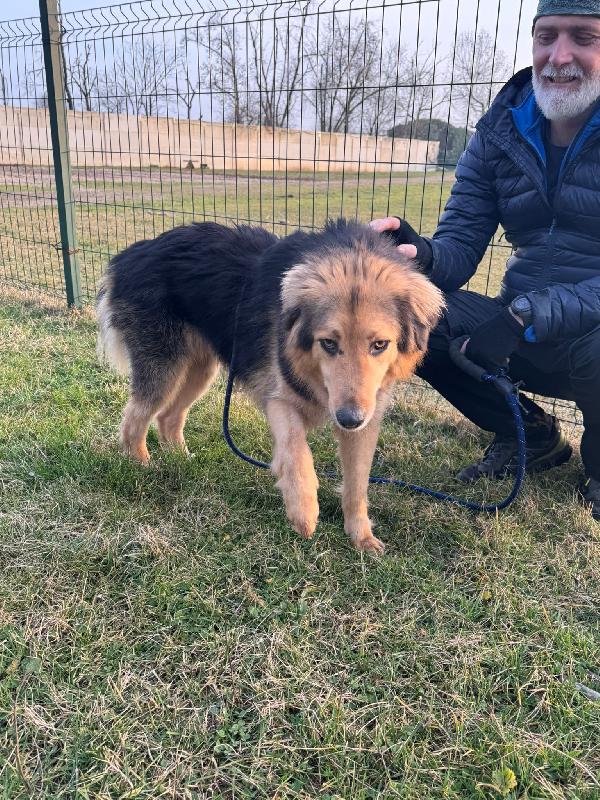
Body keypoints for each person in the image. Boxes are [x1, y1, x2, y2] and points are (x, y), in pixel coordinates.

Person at [371, 0, 600, 519]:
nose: (558, 56)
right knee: (413, 315)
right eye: (546, 36)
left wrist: (525, 315)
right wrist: (418, 252)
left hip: (580, 331)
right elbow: (456, 250)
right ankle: (529, 434)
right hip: (523, 328)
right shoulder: (500, 132)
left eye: (584, 37)